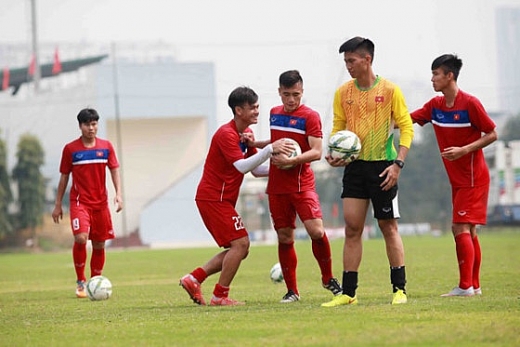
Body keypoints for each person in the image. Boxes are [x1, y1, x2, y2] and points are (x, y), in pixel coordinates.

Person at [321, 37, 414, 307]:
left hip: (384, 166)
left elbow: (407, 128)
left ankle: (399, 289)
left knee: (388, 226)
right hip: (354, 167)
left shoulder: (390, 90)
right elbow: (338, 127)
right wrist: (335, 154)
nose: (348, 66)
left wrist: (398, 164)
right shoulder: (343, 93)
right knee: (352, 228)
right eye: (345, 61)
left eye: (351, 60)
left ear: (367, 59)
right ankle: (349, 294)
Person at [179, 86, 293, 306]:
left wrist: (288, 165)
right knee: (240, 244)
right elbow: (242, 166)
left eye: (258, 106)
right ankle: (219, 296)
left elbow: (256, 170)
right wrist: (269, 150)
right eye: (253, 108)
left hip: (221, 199)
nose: (257, 111)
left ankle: (194, 279)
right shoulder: (226, 134)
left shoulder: (245, 136)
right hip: (213, 198)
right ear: (239, 110)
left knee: (241, 248)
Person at [248, 70, 342, 303]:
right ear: (279, 92)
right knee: (284, 236)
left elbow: (316, 151)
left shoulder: (310, 116)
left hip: (302, 185)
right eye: (287, 94)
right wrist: (256, 144)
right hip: (277, 187)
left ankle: (327, 278)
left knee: (316, 232)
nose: (291, 100)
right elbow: (276, 141)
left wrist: (292, 161)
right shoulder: (274, 113)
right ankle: (292, 291)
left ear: (302, 92)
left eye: (296, 95)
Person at [410, 54, 497, 297]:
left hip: (473, 177)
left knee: (459, 227)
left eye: (436, 74)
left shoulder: (470, 103)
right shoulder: (435, 106)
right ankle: (475, 285)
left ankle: (465, 286)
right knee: (469, 231)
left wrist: (464, 150)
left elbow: (492, 133)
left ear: (450, 76)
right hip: (457, 180)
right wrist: (379, 121)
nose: (432, 79)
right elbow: (407, 121)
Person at [52, 108, 123, 298]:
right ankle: (81, 281)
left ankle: (95, 281)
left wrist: (118, 194)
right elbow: (64, 177)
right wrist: (58, 203)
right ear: (80, 126)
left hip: (100, 204)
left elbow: (114, 169)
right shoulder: (71, 149)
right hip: (79, 202)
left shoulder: (106, 147)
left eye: (94, 124)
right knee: (81, 238)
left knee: (99, 244)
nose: (91, 128)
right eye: (87, 124)